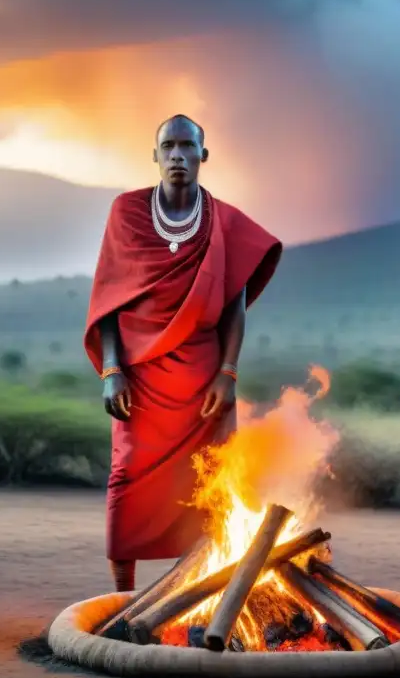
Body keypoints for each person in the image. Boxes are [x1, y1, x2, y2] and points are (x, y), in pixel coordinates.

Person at [83, 115, 282, 592]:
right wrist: (111, 369)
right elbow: (109, 297)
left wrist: (227, 373)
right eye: (167, 146)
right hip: (140, 377)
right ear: (155, 156)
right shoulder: (127, 213)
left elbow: (235, 306)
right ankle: (122, 594)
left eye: (186, 146)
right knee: (127, 477)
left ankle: (200, 592)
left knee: (208, 485)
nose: (177, 155)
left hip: (203, 379)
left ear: (203, 156)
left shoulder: (226, 224)